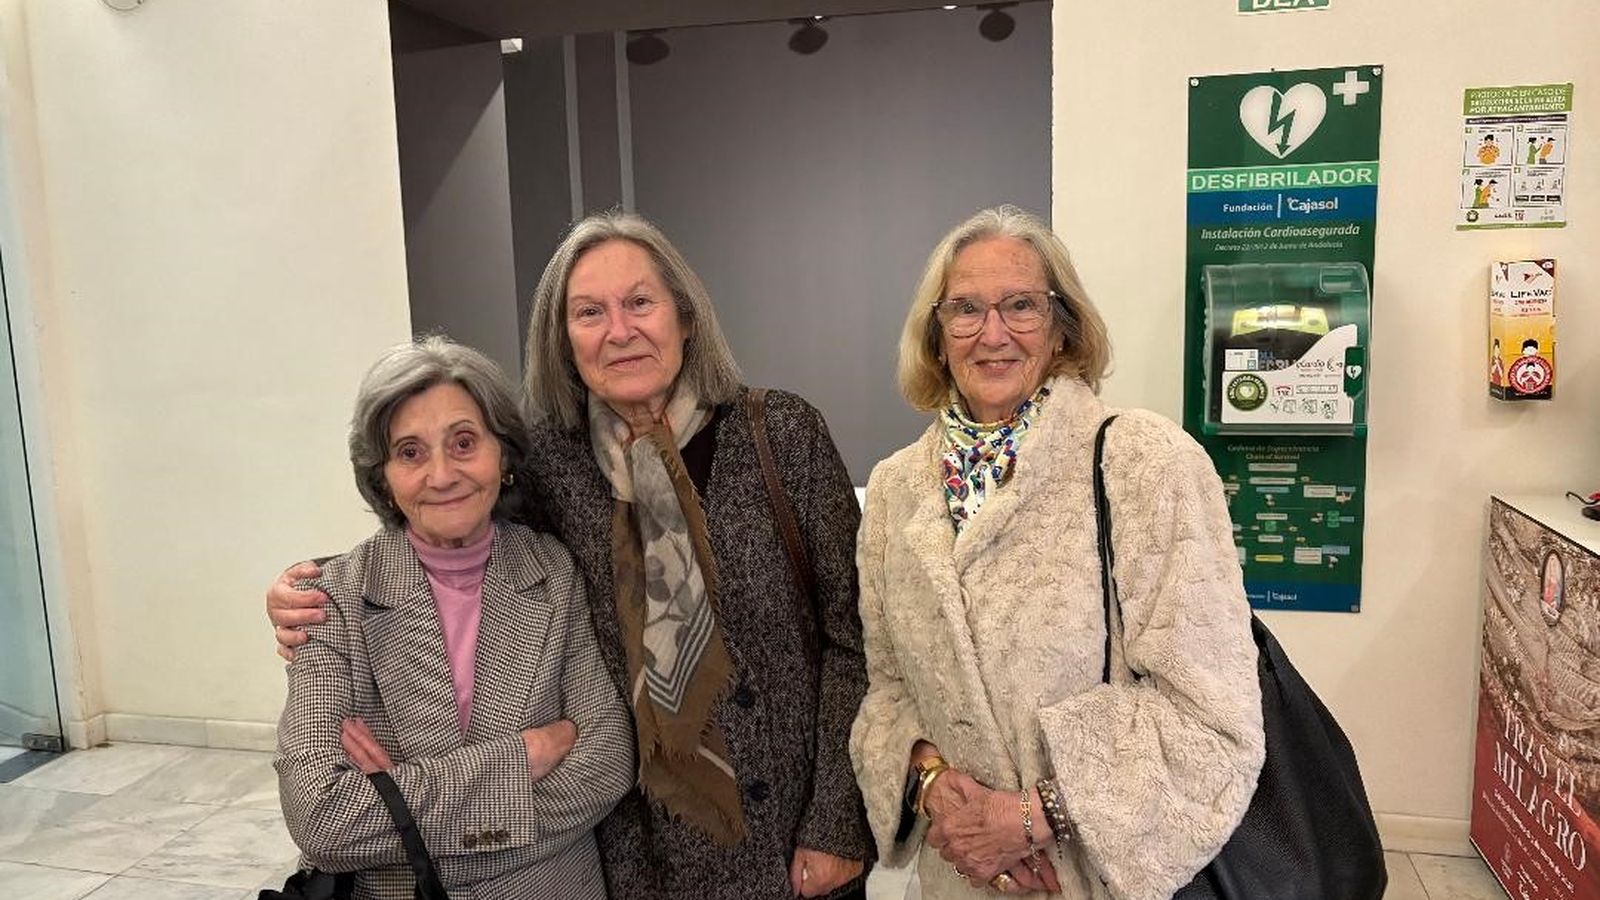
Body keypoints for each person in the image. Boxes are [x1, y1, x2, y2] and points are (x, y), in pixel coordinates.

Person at [270, 213, 873, 899]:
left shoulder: (782, 436)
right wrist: (316, 587)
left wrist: (836, 825)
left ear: (685, 317)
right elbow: (444, 521)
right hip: (633, 852)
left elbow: (854, 638)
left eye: (639, 302)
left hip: (790, 840)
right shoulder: (550, 460)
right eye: (589, 312)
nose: (619, 331)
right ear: (563, 342)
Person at [850, 206, 1265, 899]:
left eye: (1021, 306)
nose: (993, 334)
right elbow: (887, 687)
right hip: (959, 875)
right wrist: (929, 784)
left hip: (1102, 876)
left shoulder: (1144, 463)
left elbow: (1211, 714)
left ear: (1063, 322)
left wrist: (1031, 816)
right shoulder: (895, 491)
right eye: (965, 310)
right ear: (936, 332)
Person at [275, 336, 633, 899]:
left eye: (463, 442)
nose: (441, 475)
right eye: (411, 452)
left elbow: (608, 759)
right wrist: (523, 757)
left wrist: (401, 804)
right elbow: (322, 818)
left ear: (502, 454)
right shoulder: (333, 597)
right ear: (383, 476)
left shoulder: (553, 568)